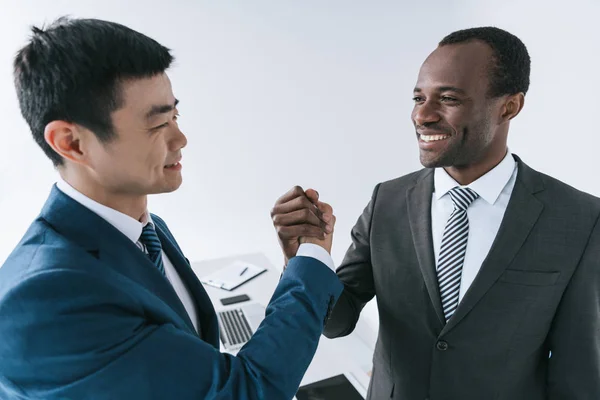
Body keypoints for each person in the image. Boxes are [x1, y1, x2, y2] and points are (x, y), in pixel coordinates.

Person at [0, 17, 341, 400]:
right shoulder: (45, 297)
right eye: (158, 123)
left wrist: (295, 263)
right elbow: (241, 392)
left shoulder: (148, 229)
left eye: (175, 115)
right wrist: (312, 257)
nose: (181, 137)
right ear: (72, 143)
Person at [272, 27, 600, 399]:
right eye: (418, 97)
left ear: (509, 106)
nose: (422, 115)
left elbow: (579, 374)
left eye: (448, 98)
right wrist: (305, 258)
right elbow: (337, 321)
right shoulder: (388, 201)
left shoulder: (578, 218)